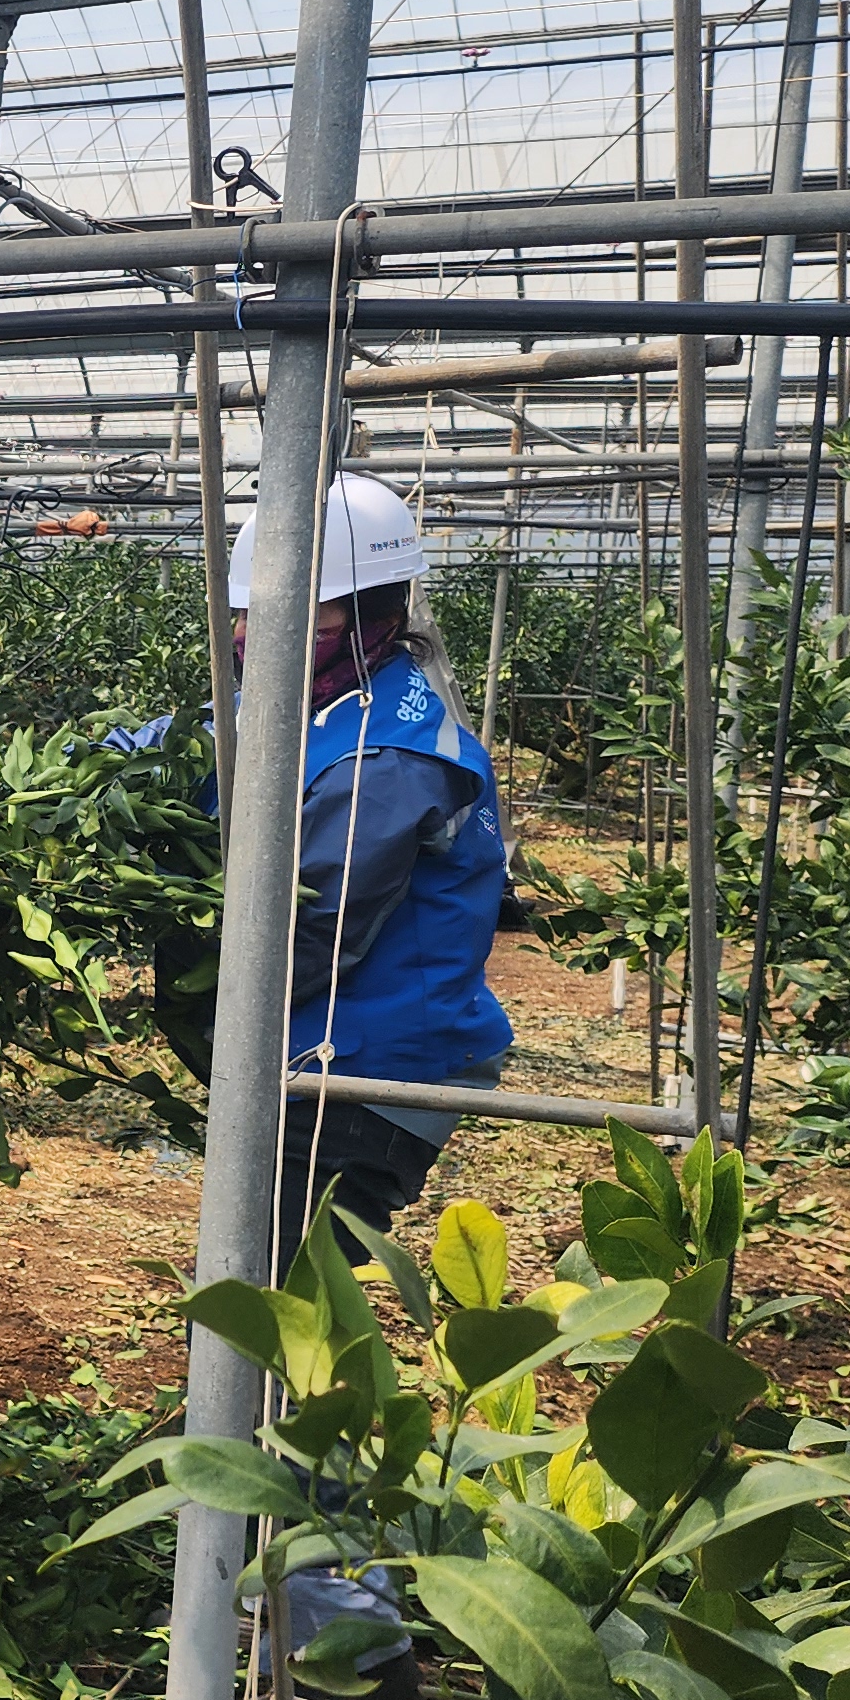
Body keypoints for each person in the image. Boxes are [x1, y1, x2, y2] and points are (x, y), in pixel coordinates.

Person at [232, 468, 515, 1251]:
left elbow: (304, 936)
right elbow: (195, 744)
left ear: (374, 618)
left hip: (371, 1071)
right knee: (257, 1281)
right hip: (329, 1047)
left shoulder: (387, 760)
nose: (255, 634)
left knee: (271, 1284)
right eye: (250, 610)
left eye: (294, 614)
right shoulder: (321, 696)